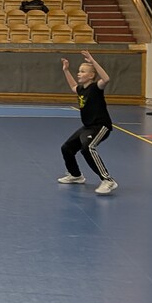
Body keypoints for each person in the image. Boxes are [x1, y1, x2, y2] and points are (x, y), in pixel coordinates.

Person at [58, 49, 117, 194]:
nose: (79, 73)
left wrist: (93, 61)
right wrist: (66, 70)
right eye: (79, 71)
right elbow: (73, 87)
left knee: (87, 148)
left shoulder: (96, 87)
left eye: (83, 71)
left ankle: (108, 180)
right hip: (88, 127)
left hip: (101, 126)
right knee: (66, 148)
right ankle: (76, 175)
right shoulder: (81, 89)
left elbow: (106, 79)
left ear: (91, 75)